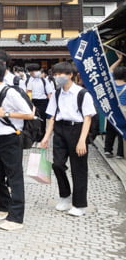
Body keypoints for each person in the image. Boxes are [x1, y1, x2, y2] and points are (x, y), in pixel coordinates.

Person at [0, 58, 34, 231]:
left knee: (14, 177)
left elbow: (29, 114)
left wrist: (7, 113)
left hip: (10, 138)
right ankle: (4, 206)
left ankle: (16, 218)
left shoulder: (10, 93)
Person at [39, 61, 97, 217]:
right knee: (57, 165)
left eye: (61, 74)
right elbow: (52, 117)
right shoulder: (57, 93)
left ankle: (79, 205)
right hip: (60, 129)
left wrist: (82, 140)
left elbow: (87, 118)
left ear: (71, 75)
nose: (57, 77)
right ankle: (65, 196)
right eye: (55, 74)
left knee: (78, 169)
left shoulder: (82, 94)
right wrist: (46, 137)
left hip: (77, 130)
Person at [25, 62, 54, 137]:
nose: (33, 73)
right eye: (31, 71)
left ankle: (42, 137)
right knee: (32, 120)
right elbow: (26, 92)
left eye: (34, 71)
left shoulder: (44, 81)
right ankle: (34, 137)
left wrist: (52, 105)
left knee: (42, 120)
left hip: (42, 102)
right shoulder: (28, 81)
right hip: (32, 102)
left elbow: (49, 94)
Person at [105, 54, 125, 158]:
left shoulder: (110, 83)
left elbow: (110, 69)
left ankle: (108, 150)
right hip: (123, 111)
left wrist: (119, 59)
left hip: (112, 111)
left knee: (110, 131)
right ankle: (120, 153)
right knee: (122, 132)